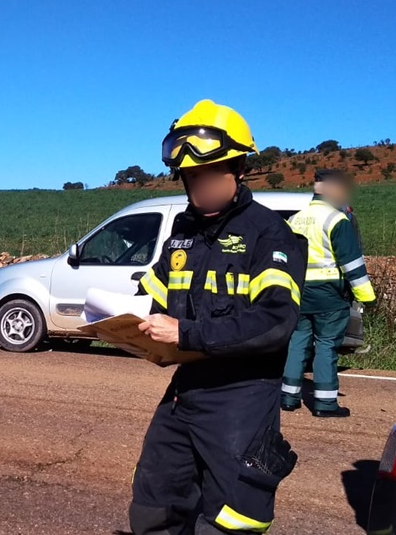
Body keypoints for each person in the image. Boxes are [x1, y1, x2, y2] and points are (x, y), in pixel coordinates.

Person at [130, 99, 305, 535]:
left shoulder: (270, 234)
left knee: (231, 521)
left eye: (209, 175)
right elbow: (159, 298)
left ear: (240, 169)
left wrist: (185, 333)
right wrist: (144, 331)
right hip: (184, 391)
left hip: (241, 397)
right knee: (154, 504)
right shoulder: (183, 233)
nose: (199, 186)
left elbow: (274, 322)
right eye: (191, 178)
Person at [281, 169, 376, 418]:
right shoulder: (336, 221)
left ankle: (288, 397)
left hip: (299, 293)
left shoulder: (295, 220)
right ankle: (325, 403)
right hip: (328, 295)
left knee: (297, 343)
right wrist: (367, 297)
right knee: (326, 345)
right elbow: (352, 264)